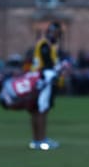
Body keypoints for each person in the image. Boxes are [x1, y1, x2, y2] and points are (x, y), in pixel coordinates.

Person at [26, 22, 64, 150]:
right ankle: (41, 140)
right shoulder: (45, 44)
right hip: (42, 79)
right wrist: (61, 68)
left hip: (39, 78)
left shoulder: (48, 44)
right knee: (42, 109)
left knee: (36, 110)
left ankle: (37, 140)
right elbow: (48, 64)